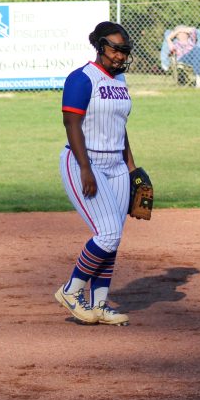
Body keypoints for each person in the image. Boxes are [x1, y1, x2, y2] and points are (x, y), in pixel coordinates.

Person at [54, 21, 140, 327]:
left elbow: (121, 127)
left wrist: (133, 171)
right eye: (114, 48)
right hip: (83, 161)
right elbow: (71, 124)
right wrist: (85, 168)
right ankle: (71, 290)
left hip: (116, 165)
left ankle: (99, 305)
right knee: (107, 234)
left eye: (124, 50)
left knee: (113, 239)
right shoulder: (81, 78)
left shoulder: (121, 81)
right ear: (100, 45)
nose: (119, 55)